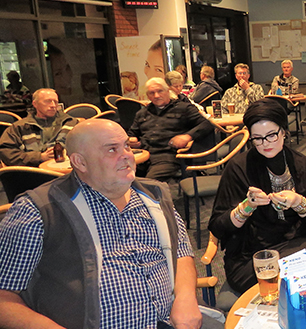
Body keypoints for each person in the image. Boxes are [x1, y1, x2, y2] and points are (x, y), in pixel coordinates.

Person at [0, 119, 218, 328]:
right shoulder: (38, 211)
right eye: (112, 149)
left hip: (170, 321)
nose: (127, 156)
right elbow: (4, 298)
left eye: (127, 146)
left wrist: (186, 298)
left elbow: (181, 253)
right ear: (80, 162)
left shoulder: (155, 195)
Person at [208, 98, 306, 303]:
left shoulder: (303, 165)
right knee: (303, 275)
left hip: (295, 245)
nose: (265, 143)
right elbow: (217, 227)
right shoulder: (238, 168)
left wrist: (299, 202)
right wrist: (246, 207)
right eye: (257, 139)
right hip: (250, 257)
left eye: (271, 135)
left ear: (284, 131)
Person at [128, 77, 212, 182]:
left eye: (160, 91)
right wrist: (132, 140)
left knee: (149, 183)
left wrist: (188, 136)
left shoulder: (184, 108)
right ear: (148, 95)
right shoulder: (142, 113)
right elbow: (132, 134)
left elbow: (206, 124)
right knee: (121, 178)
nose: (156, 96)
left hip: (168, 156)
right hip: (144, 154)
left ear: (168, 91)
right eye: (152, 93)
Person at [0, 88, 78, 167]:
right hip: (32, 171)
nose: (53, 105)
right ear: (35, 104)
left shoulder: (70, 123)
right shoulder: (19, 127)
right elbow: (6, 153)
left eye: (55, 102)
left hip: (65, 170)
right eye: (47, 101)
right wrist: (39, 157)